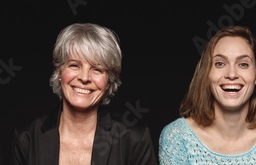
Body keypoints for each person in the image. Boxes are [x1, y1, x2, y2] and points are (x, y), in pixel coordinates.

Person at [12, 23, 158, 165]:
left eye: (97, 69)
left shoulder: (135, 141)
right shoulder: (27, 139)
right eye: (75, 65)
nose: (84, 77)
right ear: (59, 72)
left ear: (108, 81)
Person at [159, 25, 256, 164]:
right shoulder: (177, 136)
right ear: (206, 73)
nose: (231, 74)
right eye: (220, 63)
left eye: (243, 64)